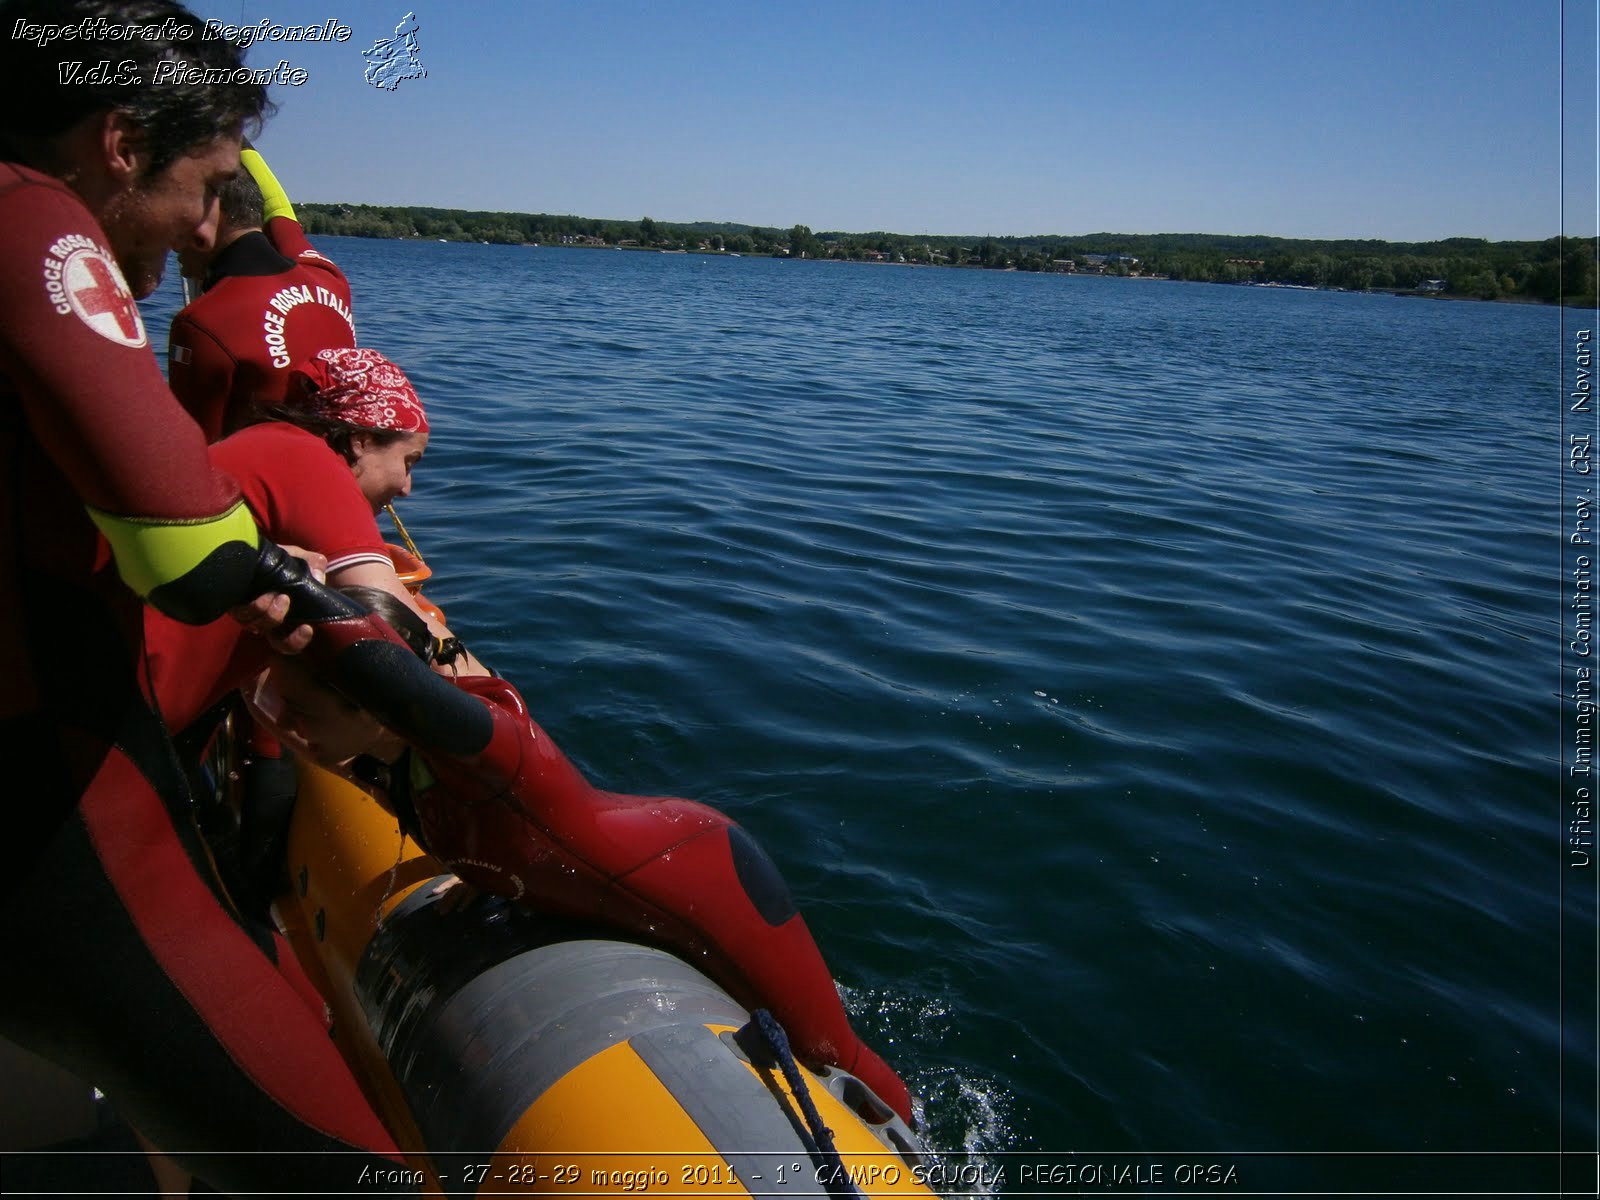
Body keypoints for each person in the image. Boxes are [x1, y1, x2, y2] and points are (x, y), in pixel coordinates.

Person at [0, 2, 417, 1192]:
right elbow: (183, 548)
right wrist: (324, 617)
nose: (202, 220)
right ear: (119, 144)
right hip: (49, 820)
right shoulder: (34, 215)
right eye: (200, 180)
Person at [250, 588, 918, 1128]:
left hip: (701, 874)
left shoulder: (496, 756)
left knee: (827, 1051)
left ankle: (916, 1144)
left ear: (379, 704)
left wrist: (307, 596)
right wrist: (491, 882)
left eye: (303, 708)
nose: (288, 725)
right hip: (622, 881)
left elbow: (414, 697)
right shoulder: (384, 765)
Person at [169, 144, 356, 440]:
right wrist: (242, 145)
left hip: (257, 484)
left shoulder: (203, 324)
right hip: (335, 476)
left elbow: (195, 452)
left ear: (206, 217)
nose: (171, 242)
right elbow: (280, 210)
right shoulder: (330, 280)